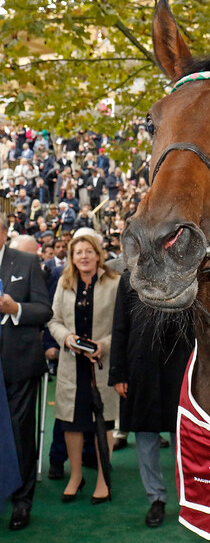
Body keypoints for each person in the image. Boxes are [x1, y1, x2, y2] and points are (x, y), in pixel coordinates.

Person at [108, 270, 193, 527]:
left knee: (185, 436)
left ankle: (189, 498)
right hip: (141, 368)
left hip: (181, 364)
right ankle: (156, 498)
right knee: (145, 435)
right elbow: (120, 327)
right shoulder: (129, 277)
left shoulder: (187, 272)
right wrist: (118, 372)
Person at [47, 233, 120, 505]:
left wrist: (103, 345)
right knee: (72, 424)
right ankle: (75, 476)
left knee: (105, 423)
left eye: (88, 251)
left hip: (101, 365)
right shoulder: (64, 283)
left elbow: (121, 328)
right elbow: (53, 320)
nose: (84, 256)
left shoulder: (114, 283)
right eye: (78, 252)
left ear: (98, 254)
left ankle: (103, 479)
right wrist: (66, 338)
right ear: (72, 258)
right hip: (71, 366)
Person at [0, 215, 52, 530]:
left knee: (20, 434)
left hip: (17, 364)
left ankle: (22, 501)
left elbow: (44, 310)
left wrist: (15, 309)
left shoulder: (27, 261)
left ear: (4, 232)